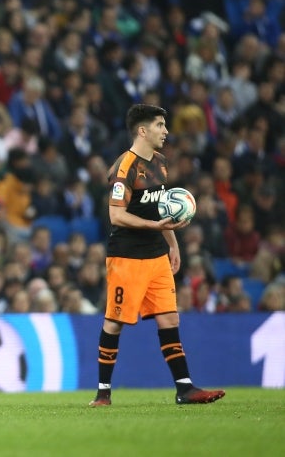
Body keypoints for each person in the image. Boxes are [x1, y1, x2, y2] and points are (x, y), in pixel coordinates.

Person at [90, 104, 225, 407]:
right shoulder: (124, 167)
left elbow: (160, 209)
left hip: (157, 255)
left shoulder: (161, 163)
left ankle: (185, 388)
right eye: (160, 125)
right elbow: (116, 215)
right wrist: (154, 226)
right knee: (115, 321)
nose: (166, 131)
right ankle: (103, 393)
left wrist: (173, 244)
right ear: (142, 130)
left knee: (169, 318)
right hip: (126, 257)